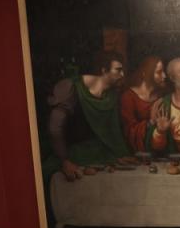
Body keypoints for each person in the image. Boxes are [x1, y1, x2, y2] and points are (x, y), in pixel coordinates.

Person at [45, 50, 134, 181]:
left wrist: (120, 153)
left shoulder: (111, 95)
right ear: (104, 70)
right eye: (118, 70)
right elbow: (54, 128)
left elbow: (112, 132)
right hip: (71, 155)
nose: (122, 74)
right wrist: (64, 160)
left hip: (100, 156)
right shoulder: (71, 88)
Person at [120, 56, 167, 152]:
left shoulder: (162, 96)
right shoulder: (128, 97)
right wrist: (151, 122)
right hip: (136, 152)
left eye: (164, 71)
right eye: (159, 72)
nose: (164, 76)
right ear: (146, 74)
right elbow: (128, 132)